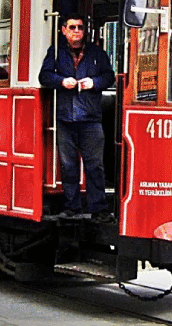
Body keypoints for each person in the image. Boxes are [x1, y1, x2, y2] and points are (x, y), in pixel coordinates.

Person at [39, 14, 116, 223]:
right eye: (72, 27)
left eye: (80, 27)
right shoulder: (55, 52)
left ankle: (98, 208)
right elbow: (44, 76)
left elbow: (110, 76)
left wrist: (94, 82)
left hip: (91, 118)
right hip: (65, 118)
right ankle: (71, 206)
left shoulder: (96, 52)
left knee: (95, 165)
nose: (76, 31)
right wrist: (62, 81)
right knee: (69, 165)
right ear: (63, 30)